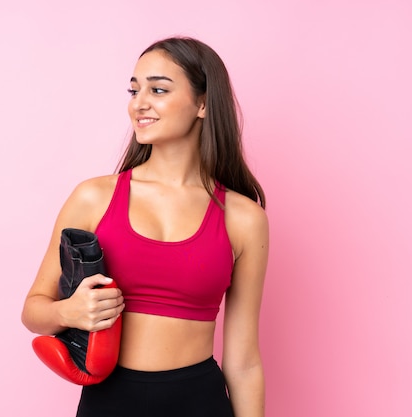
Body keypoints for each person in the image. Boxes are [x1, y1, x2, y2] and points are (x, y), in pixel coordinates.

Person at [21, 36, 269, 417]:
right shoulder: (94, 197)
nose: (139, 103)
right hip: (110, 402)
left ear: (203, 104)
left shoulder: (243, 218)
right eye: (134, 90)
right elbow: (33, 310)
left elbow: (244, 361)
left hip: (200, 402)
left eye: (158, 89)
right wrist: (68, 313)